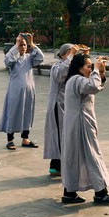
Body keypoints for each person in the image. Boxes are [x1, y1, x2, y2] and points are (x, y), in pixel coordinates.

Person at [61, 53, 109, 205]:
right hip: (81, 124)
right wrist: (97, 70)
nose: (91, 69)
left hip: (76, 123)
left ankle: (69, 192)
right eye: (88, 66)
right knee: (92, 155)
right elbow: (93, 86)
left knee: (74, 157)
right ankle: (101, 193)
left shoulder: (75, 79)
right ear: (79, 67)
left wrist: (101, 71)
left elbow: (95, 84)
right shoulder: (78, 80)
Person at [0, 33, 43, 150]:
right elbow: (7, 61)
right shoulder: (13, 59)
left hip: (28, 91)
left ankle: (25, 138)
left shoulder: (29, 58)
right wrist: (16, 46)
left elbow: (40, 57)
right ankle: (10, 140)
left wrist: (32, 43)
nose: (23, 47)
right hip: (15, 91)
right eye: (21, 45)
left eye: (25, 45)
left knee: (27, 113)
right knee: (13, 113)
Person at [43, 43, 78, 176]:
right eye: (69, 53)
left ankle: (63, 165)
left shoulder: (70, 67)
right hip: (58, 105)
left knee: (67, 135)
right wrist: (71, 56)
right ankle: (56, 165)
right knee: (59, 135)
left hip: (69, 106)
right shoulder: (57, 66)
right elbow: (60, 75)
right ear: (63, 55)